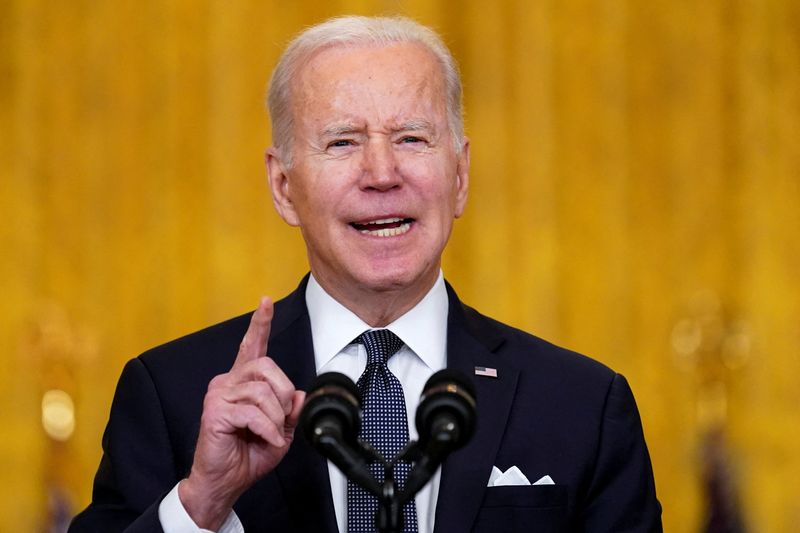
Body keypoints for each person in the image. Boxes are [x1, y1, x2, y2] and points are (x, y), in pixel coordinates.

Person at [69, 15, 661, 533]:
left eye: (412, 137)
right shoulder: (173, 395)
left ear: (459, 177)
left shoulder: (581, 403)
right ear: (284, 187)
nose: (381, 173)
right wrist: (202, 503)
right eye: (343, 142)